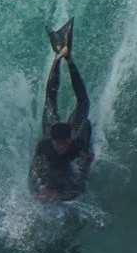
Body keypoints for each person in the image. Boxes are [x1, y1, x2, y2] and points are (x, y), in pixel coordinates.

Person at [28, 21, 94, 204]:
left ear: (69, 140)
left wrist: (86, 157)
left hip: (66, 143)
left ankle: (67, 58)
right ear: (54, 141)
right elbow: (34, 174)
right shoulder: (45, 148)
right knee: (50, 100)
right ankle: (58, 56)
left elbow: (87, 126)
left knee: (83, 103)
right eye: (60, 144)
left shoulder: (75, 144)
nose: (62, 147)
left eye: (65, 143)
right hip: (53, 159)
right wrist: (43, 191)